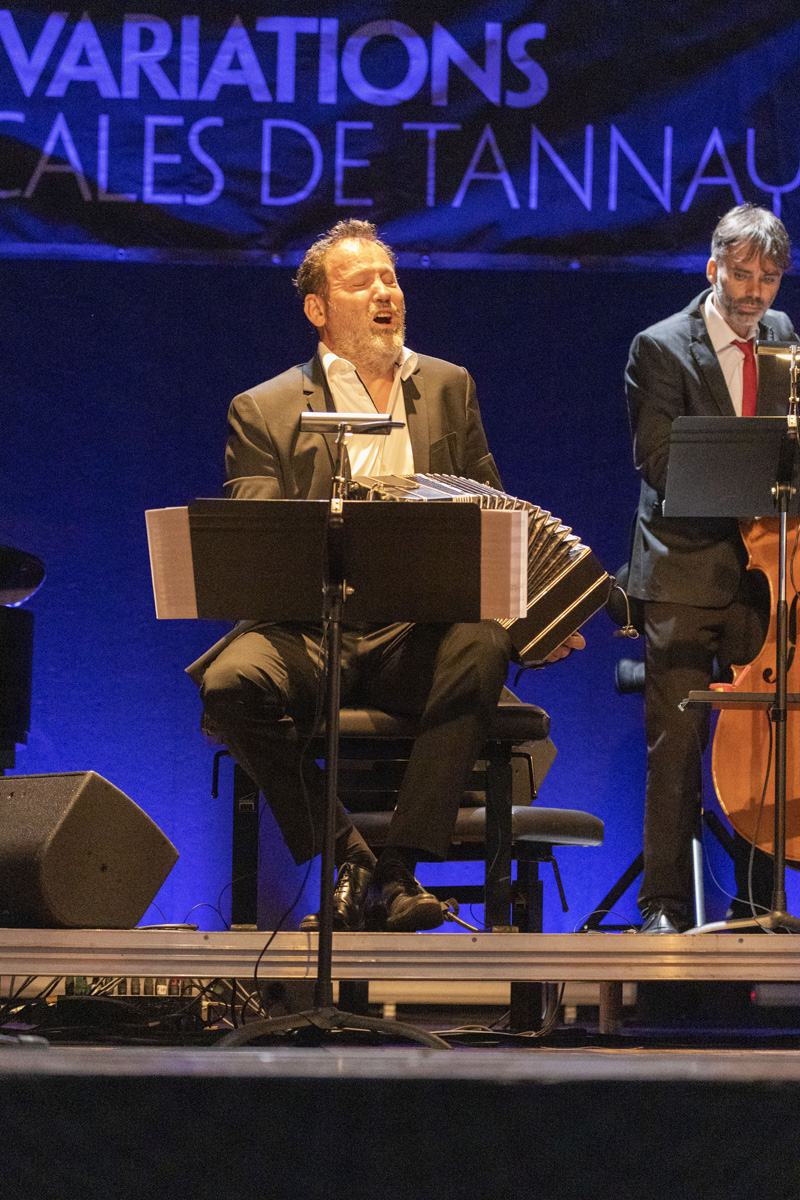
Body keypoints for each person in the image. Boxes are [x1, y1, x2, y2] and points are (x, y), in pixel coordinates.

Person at [187, 218, 580, 934]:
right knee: (229, 683)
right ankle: (352, 858)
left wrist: (537, 617)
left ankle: (399, 866)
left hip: (415, 636)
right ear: (318, 308)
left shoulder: (449, 386)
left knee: (484, 643)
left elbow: (497, 516)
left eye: (390, 278)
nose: (384, 292)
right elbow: (261, 539)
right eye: (361, 281)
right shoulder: (264, 408)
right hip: (311, 631)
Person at [625, 203, 796, 934]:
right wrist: (760, 481)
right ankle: (662, 906)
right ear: (713, 268)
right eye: (743, 274)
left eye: (769, 277)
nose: (755, 292)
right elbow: (661, 463)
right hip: (684, 571)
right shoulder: (660, 347)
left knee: (770, 735)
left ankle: (761, 905)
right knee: (678, 742)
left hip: (767, 575)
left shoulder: (785, 339)